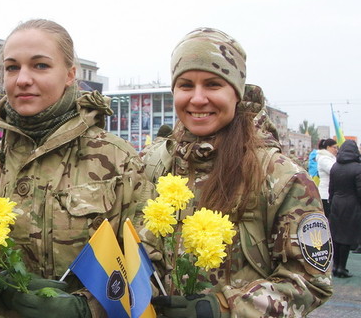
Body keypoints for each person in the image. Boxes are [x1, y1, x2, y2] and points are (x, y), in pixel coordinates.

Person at [0, 19, 153, 317]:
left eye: (40, 66)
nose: (23, 78)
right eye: (12, 67)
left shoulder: (118, 160)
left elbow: (148, 262)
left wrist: (87, 308)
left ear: (70, 74)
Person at [140, 28, 332, 317]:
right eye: (186, 85)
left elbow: (311, 282)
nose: (198, 98)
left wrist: (222, 308)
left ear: (237, 93)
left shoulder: (280, 178)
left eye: (213, 84)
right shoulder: (152, 163)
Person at [328, 139, 361, 278]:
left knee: (336, 236)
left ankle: (335, 267)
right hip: (351, 204)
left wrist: (332, 202)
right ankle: (342, 267)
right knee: (347, 236)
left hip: (336, 202)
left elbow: (331, 189)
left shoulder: (335, 166)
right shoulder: (358, 168)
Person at [317, 138, 338, 218]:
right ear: (328, 147)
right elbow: (333, 170)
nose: (336, 150)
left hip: (331, 193)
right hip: (325, 194)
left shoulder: (332, 158)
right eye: (334, 147)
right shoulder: (324, 159)